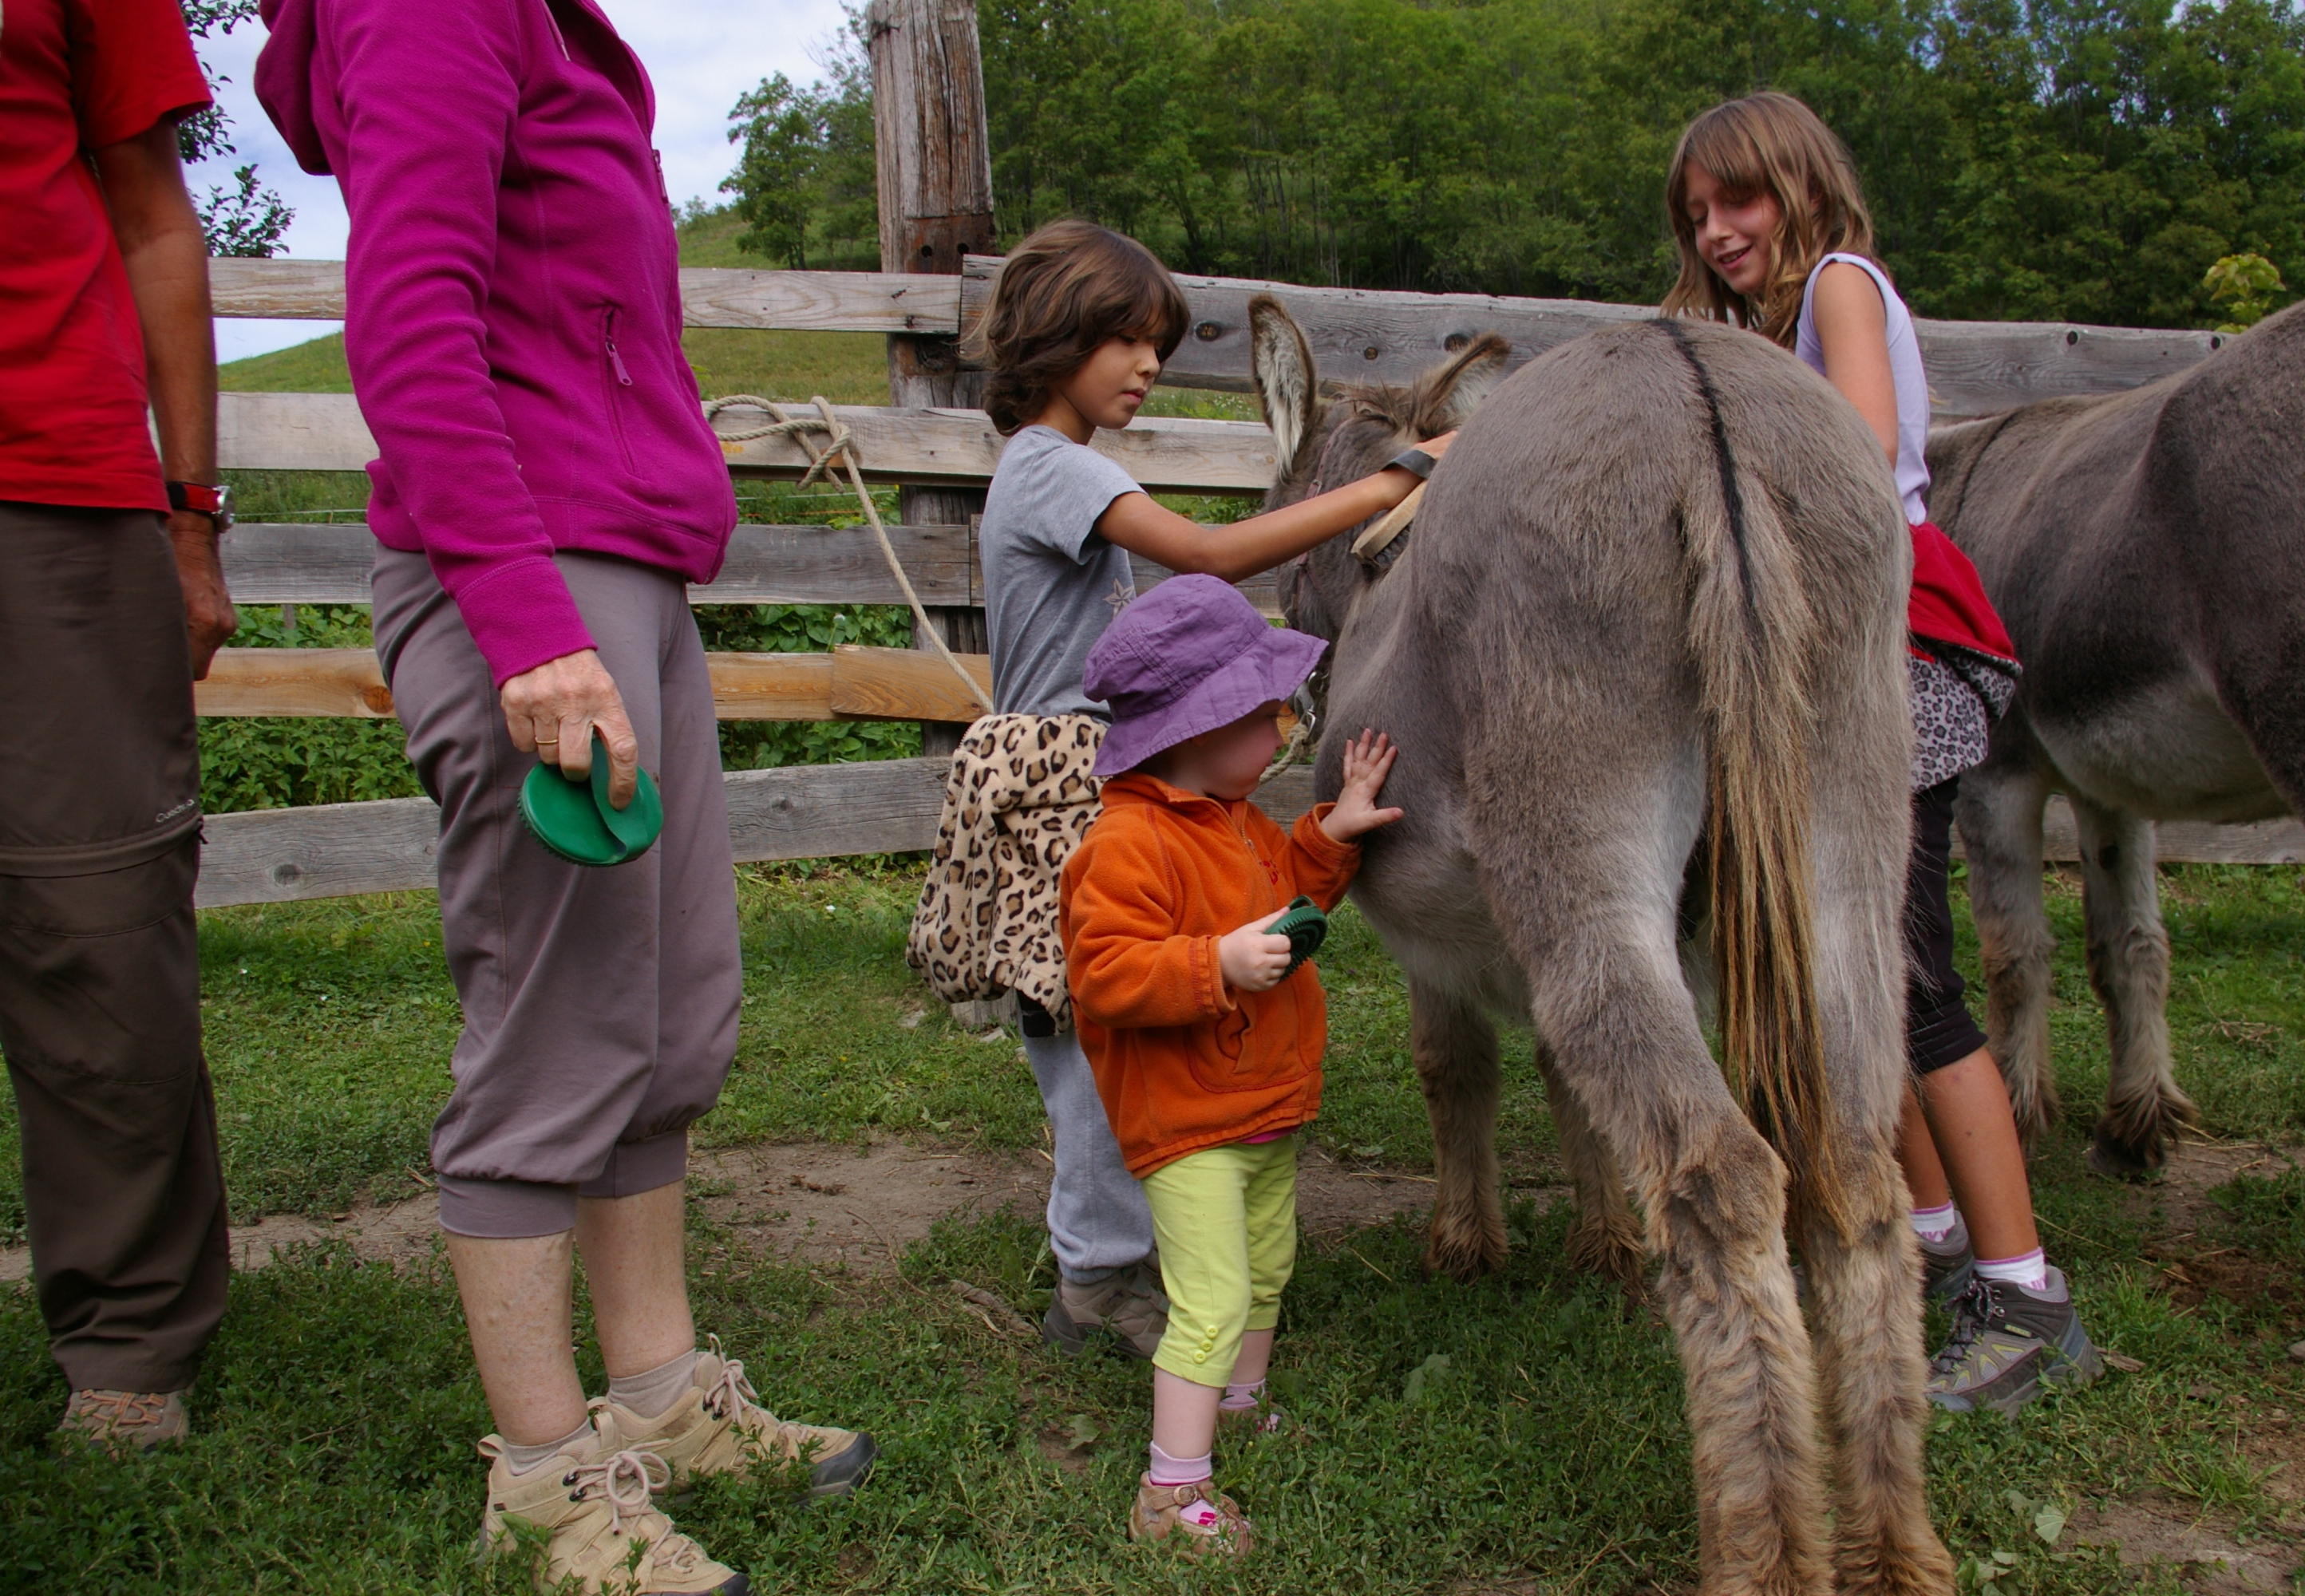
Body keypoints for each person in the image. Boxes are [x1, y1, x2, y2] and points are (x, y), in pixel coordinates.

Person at [255, 1, 868, 1586]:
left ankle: (659, 1397)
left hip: (621, 560)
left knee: (663, 1009)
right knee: (555, 1022)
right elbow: (406, 322)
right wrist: (526, 627)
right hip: (527, 569)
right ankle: (540, 1476)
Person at [1663, 92, 2101, 1415]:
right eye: (1695, 213)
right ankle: (1928, 1243)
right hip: (1820, 662)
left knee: (1907, 981)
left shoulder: (1840, 287)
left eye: (1736, 199)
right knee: (1847, 977)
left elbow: (1852, 465)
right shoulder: (1750, 326)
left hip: (1879, 655)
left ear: (1798, 183)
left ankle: (2026, 1294)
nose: (1716, 229)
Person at [965, 219, 1450, 1357]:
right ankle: (1097, 1285)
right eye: (1125, 341)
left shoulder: (1048, 467)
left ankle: (1138, 1254)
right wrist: (1397, 478)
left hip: (1083, 770)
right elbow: (1210, 555)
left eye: (1157, 345)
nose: (1147, 367)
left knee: (1114, 1035)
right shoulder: (1054, 464)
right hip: (1069, 787)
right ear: (1055, 337)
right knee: (1098, 1049)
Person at [0, 0, 239, 1454]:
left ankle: (132, 1324)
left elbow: (155, 219)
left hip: (48, 477)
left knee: (93, 918)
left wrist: (189, 513)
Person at [1063, 575, 1406, 1553]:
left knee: (1266, 1267)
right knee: (1209, 1297)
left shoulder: (1234, 816)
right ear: (1192, 728)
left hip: (1259, 1103)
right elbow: (1104, 972)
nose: (1284, 727)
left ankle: (1241, 1404)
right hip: (1188, 1119)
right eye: (1265, 715)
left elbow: (1284, 886)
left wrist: (1331, 832)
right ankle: (1169, 1492)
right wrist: (1212, 963)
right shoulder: (1126, 841)